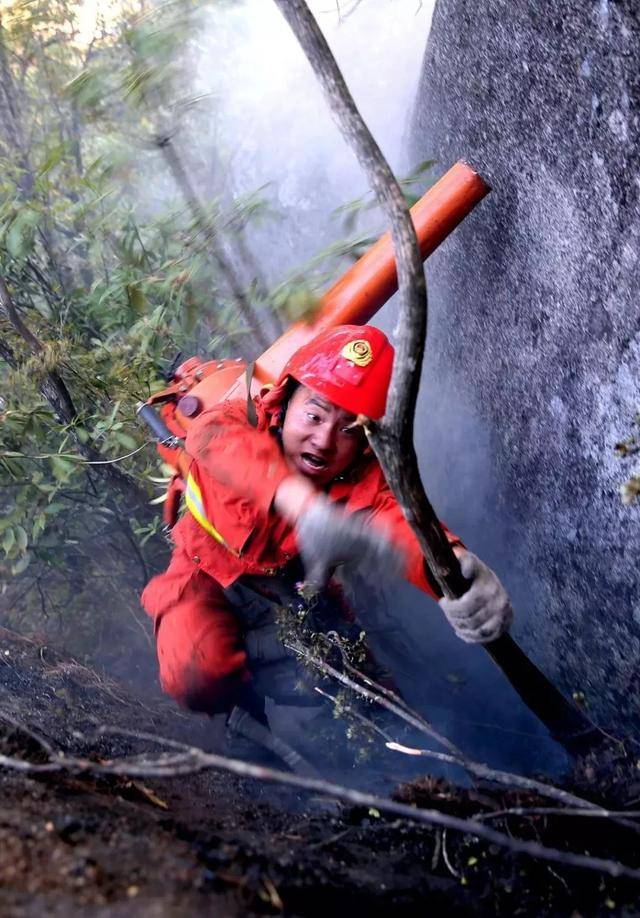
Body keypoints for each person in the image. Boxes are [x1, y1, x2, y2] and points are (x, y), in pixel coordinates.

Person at [141, 325, 513, 770]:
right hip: (203, 571)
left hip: (296, 587)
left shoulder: (362, 477)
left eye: (348, 429)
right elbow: (214, 438)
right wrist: (304, 507)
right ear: (286, 399)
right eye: (315, 416)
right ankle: (244, 715)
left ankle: (426, 774)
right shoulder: (237, 418)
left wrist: (458, 571)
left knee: (370, 696)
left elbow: (405, 530)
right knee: (196, 672)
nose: (324, 441)